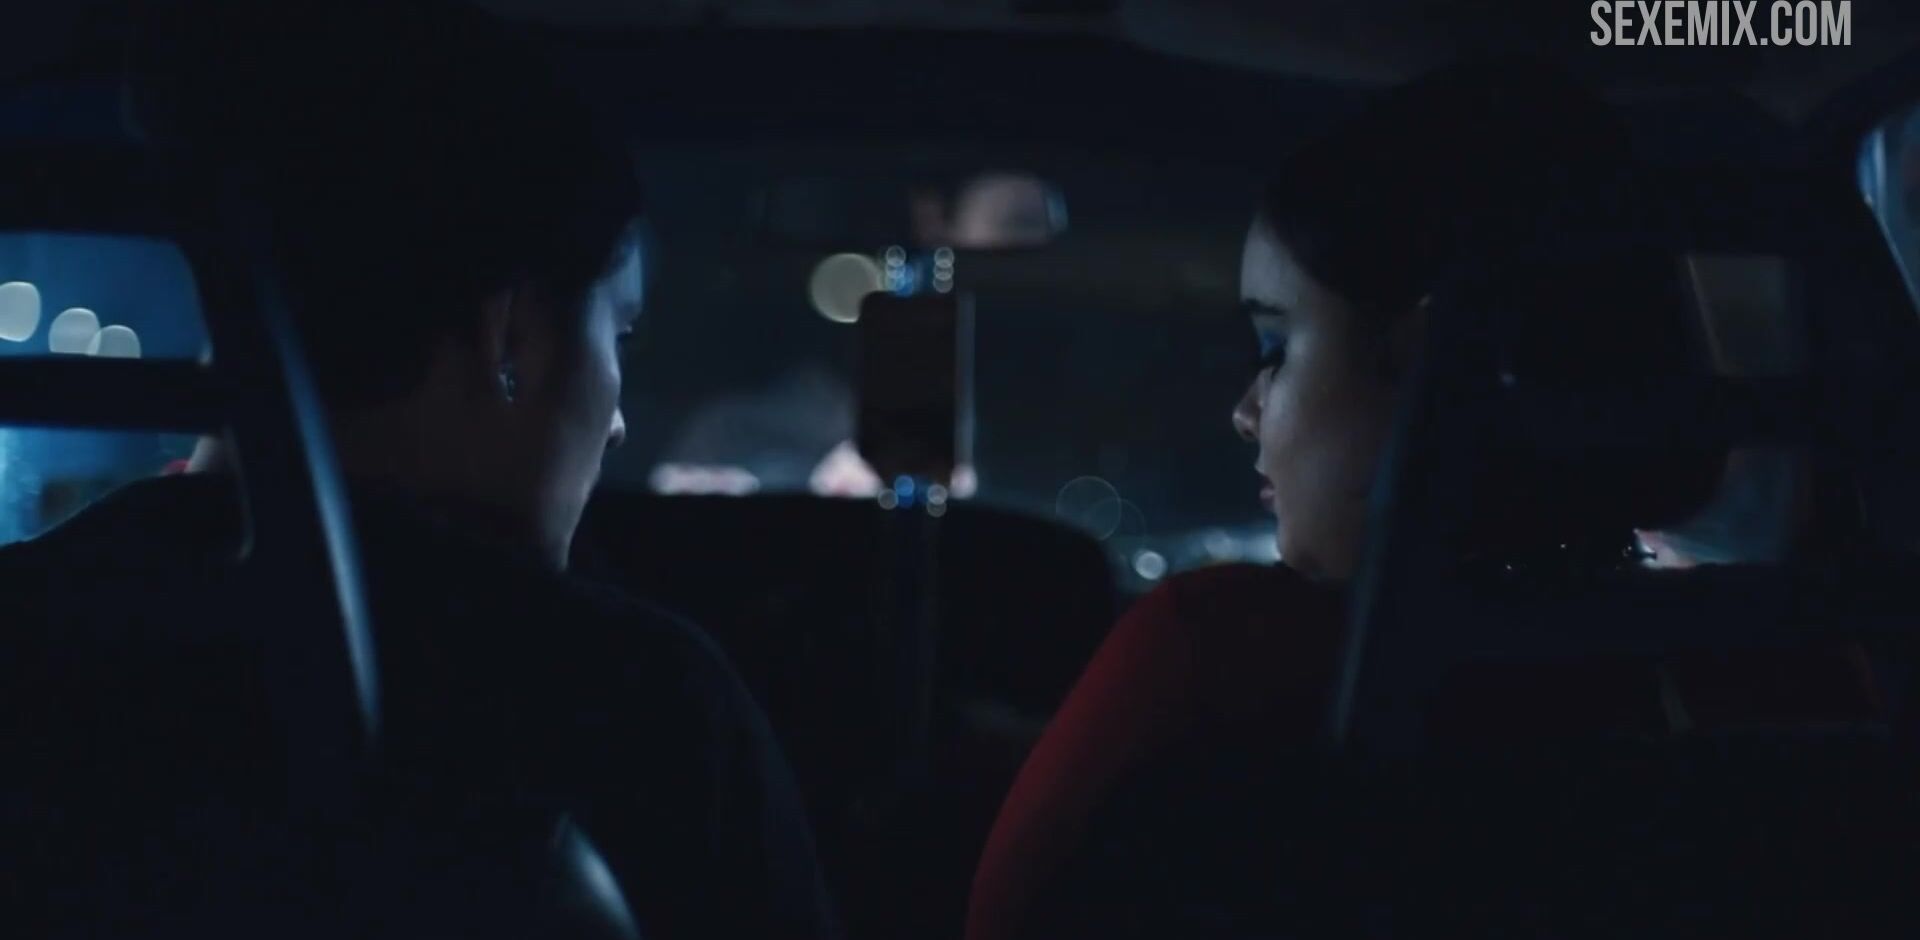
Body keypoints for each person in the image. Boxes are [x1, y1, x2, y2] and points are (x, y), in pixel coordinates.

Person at [964, 62, 1883, 940]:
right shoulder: (1810, 679)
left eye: (1276, 348)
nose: (1245, 413)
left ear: (1435, 361)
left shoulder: (1215, 657)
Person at [0, 3, 839, 939]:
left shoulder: (35, 632)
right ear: (509, 335)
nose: (615, 424)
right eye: (620, 334)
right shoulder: (641, 712)